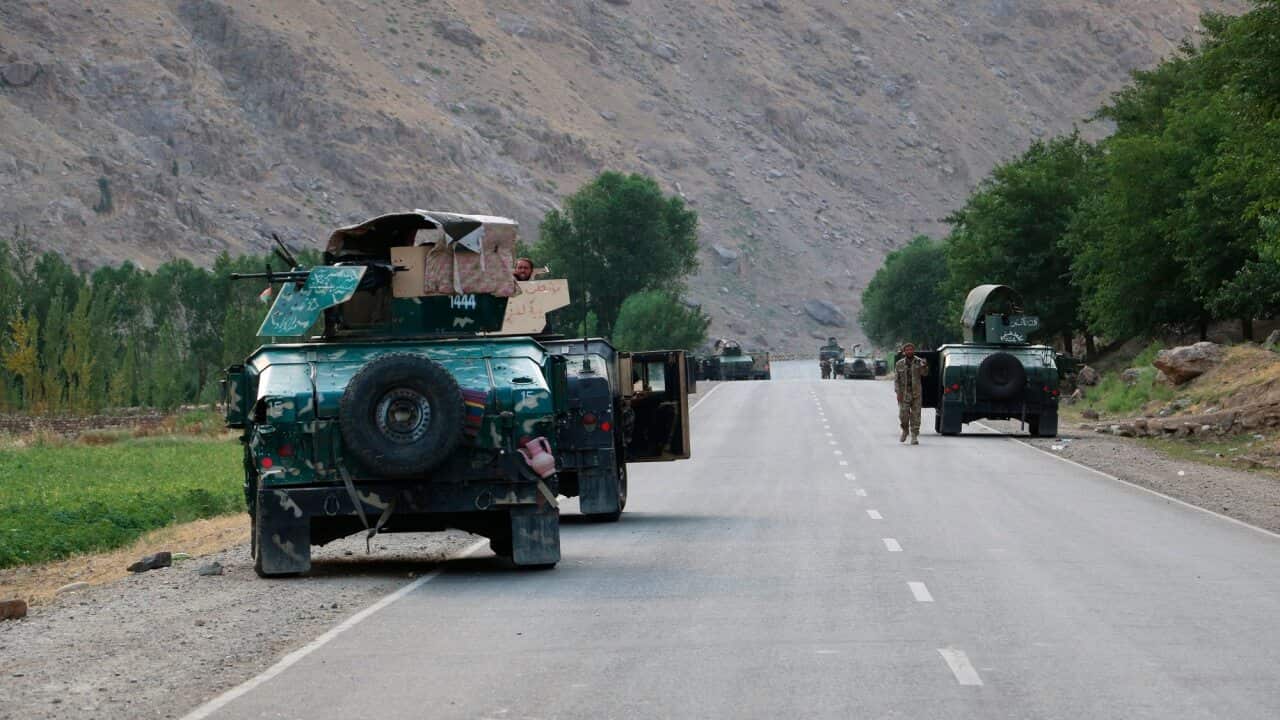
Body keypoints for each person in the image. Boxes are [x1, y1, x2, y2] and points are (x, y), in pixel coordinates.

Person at [894, 342, 929, 444]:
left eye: (911, 349)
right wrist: (897, 393)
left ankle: (914, 436)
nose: (909, 351)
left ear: (913, 350)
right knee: (903, 415)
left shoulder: (919, 361)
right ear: (904, 352)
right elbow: (896, 380)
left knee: (916, 416)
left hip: (916, 393)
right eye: (907, 350)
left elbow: (925, 374)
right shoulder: (899, 364)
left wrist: (925, 366)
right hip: (904, 393)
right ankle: (905, 430)